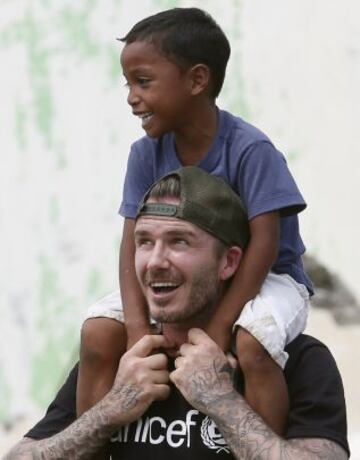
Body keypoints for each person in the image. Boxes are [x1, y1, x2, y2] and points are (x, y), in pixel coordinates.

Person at [78, 7, 314, 435]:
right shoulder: (143, 154)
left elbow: (264, 244)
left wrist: (223, 325)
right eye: (128, 84)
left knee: (254, 343)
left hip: (268, 278)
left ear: (197, 80)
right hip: (190, 281)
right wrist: (136, 331)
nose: (131, 97)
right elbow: (133, 242)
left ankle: (259, 444)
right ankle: (93, 443)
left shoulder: (250, 150)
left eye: (143, 82)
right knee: (97, 333)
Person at [5, 167, 349, 459]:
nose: (155, 262)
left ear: (228, 262)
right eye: (144, 242)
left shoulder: (296, 361)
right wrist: (108, 412)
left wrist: (221, 401)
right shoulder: (120, 359)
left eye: (179, 242)